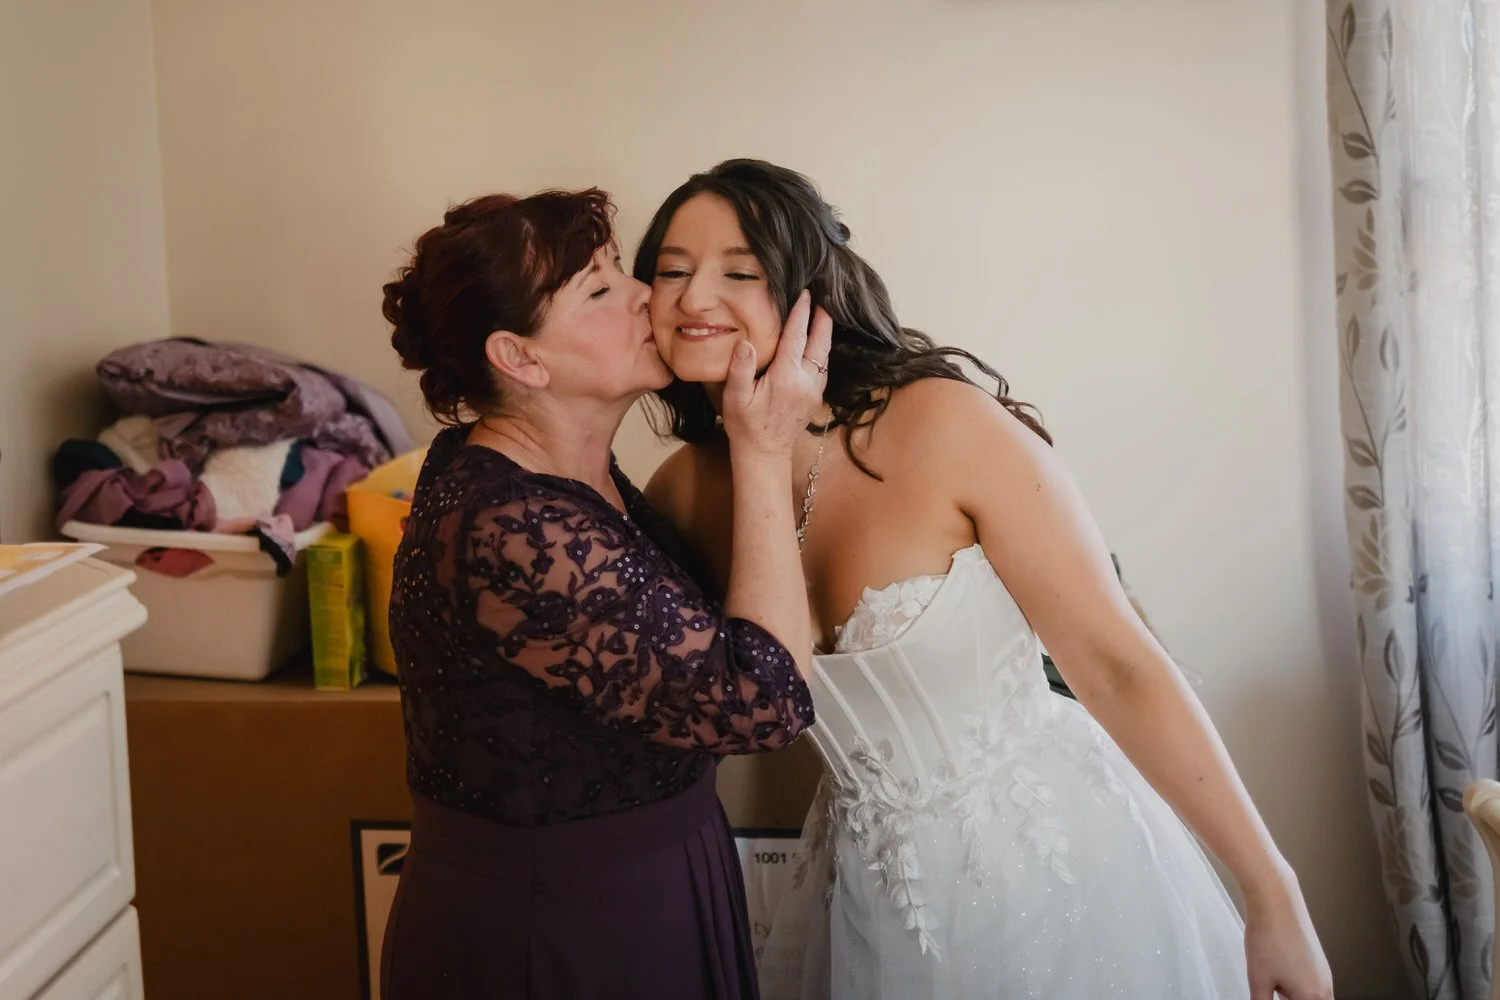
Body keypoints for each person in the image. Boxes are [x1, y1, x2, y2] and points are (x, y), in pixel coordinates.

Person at [637, 160, 1334, 1000]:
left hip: (1060, 873)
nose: (692, 297)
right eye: (670, 271)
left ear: (806, 291)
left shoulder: (944, 425)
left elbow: (1118, 665)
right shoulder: (678, 492)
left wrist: (1272, 891)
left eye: (738, 272)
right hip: (863, 897)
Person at [379, 187, 832, 999]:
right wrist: (763, 448)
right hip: (555, 929)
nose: (645, 296)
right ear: (520, 357)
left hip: (641, 885)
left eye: (623, 269)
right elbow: (763, 701)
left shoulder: (564, 472)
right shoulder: (508, 523)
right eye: (598, 287)